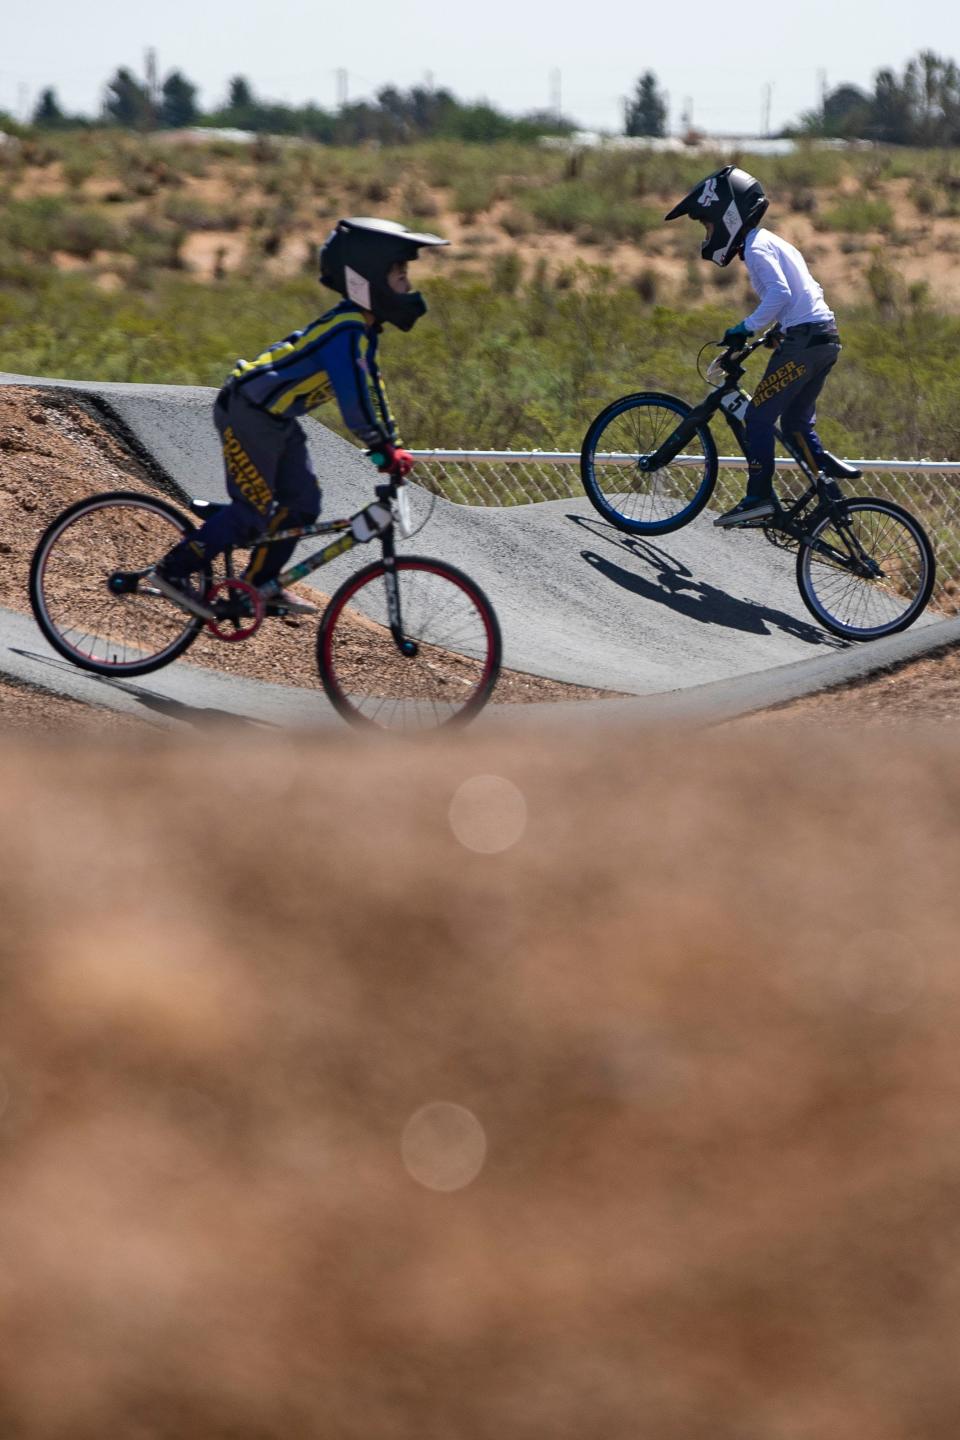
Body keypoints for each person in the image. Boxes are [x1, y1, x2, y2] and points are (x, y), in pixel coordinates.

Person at [154, 217, 448, 615]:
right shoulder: (346, 331)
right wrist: (380, 446)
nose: (407, 286)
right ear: (370, 279)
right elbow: (354, 400)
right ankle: (172, 570)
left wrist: (391, 444)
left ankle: (256, 587)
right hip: (248, 411)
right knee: (252, 511)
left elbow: (372, 391)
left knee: (303, 505)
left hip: (278, 420)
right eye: (399, 274)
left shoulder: (361, 331)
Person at [665, 165, 846, 528]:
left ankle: (759, 495)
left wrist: (744, 328)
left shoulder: (757, 248)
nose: (708, 233)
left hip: (805, 342)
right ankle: (830, 496)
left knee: (758, 416)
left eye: (708, 224)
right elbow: (803, 295)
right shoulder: (771, 242)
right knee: (795, 422)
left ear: (726, 215)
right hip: (823, 338)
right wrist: (776, 332)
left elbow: (780, 294)